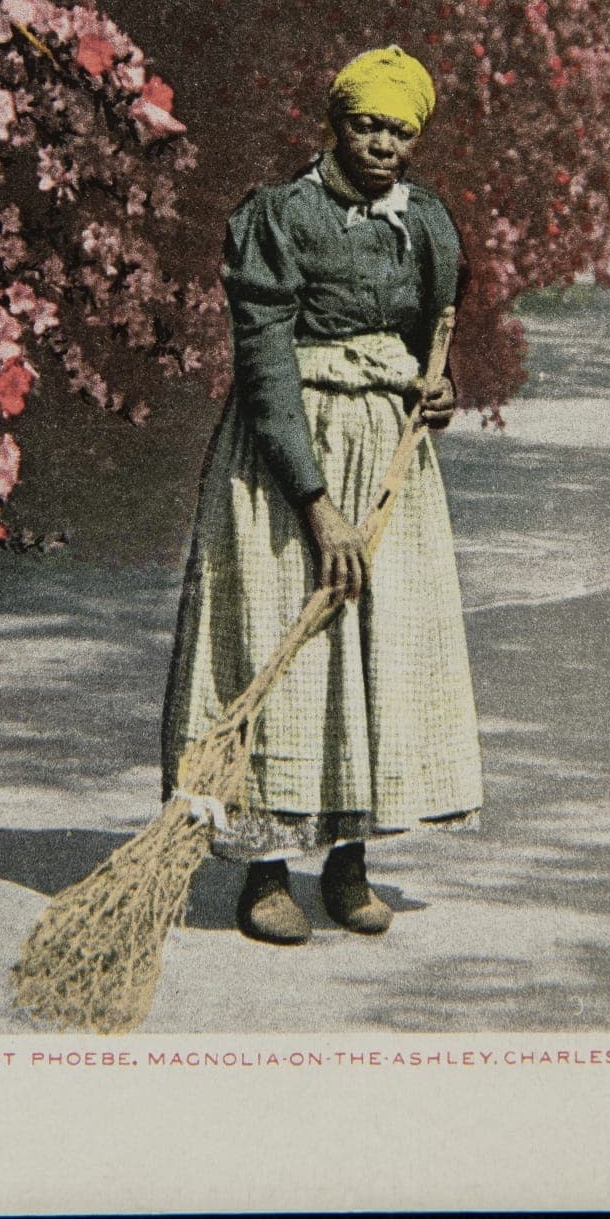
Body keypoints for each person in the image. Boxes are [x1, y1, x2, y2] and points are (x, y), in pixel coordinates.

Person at [161, 46, 483, 944]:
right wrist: (314, 503)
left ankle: (348, 865)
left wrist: (440, 388)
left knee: (373, 652)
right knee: (279, 641)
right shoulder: (279, 215)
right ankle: (265, 871)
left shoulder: (427, 222)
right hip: (284, 459)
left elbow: (429, 338)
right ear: (334, 126)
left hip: (386, 459)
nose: (382, 144)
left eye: (400, 131)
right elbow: (264, 361)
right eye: (365, 125)